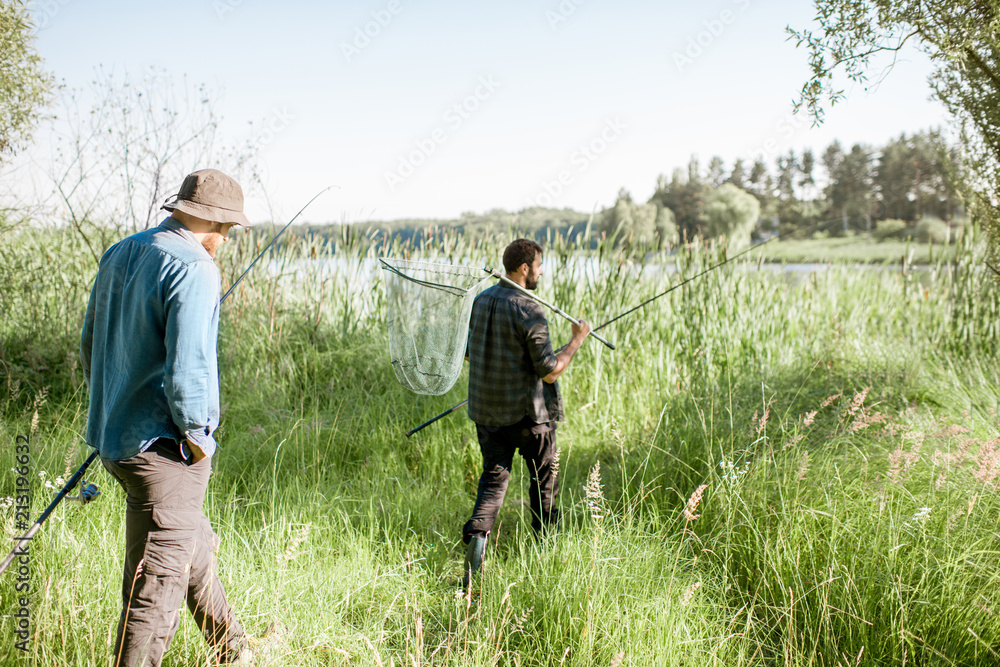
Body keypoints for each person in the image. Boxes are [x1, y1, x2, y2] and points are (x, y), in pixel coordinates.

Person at [81, 169, 252, 666]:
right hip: (164, 450)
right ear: (215, 222)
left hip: (114, 439)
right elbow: (189, 369)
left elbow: (90, 344)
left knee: (186, 542)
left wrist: (109, 410)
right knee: (154, 590)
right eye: (228, 229)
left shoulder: (121, 250)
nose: (226, 239)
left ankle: (232, 648)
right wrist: (199, 437)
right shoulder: (196, 267)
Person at [461, 238, 591, 586]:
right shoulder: (529, 308)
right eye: (539, 265)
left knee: (493, 481)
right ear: (524, 268)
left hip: (487, 414)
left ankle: (477, 540)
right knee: (543, 484)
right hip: (529, 419)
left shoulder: (480, 300)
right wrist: (577, 339)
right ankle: (547, 551)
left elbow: (472, 356)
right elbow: (549, 370)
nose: (541, 271)